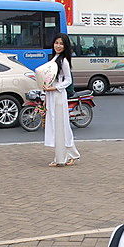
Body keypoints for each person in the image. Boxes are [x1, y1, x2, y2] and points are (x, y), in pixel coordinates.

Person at [44, 33, 80, 168]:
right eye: (56, 43)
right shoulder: (54, 58)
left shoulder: (63, 61)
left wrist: (55, 88)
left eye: (61, 44)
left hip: (58, 96)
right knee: (57, 125)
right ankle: (71, 154)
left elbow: (68, 80)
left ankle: (61, 158)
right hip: (51, 95)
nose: (58, 46)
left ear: (65, 46)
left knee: (60, 126)